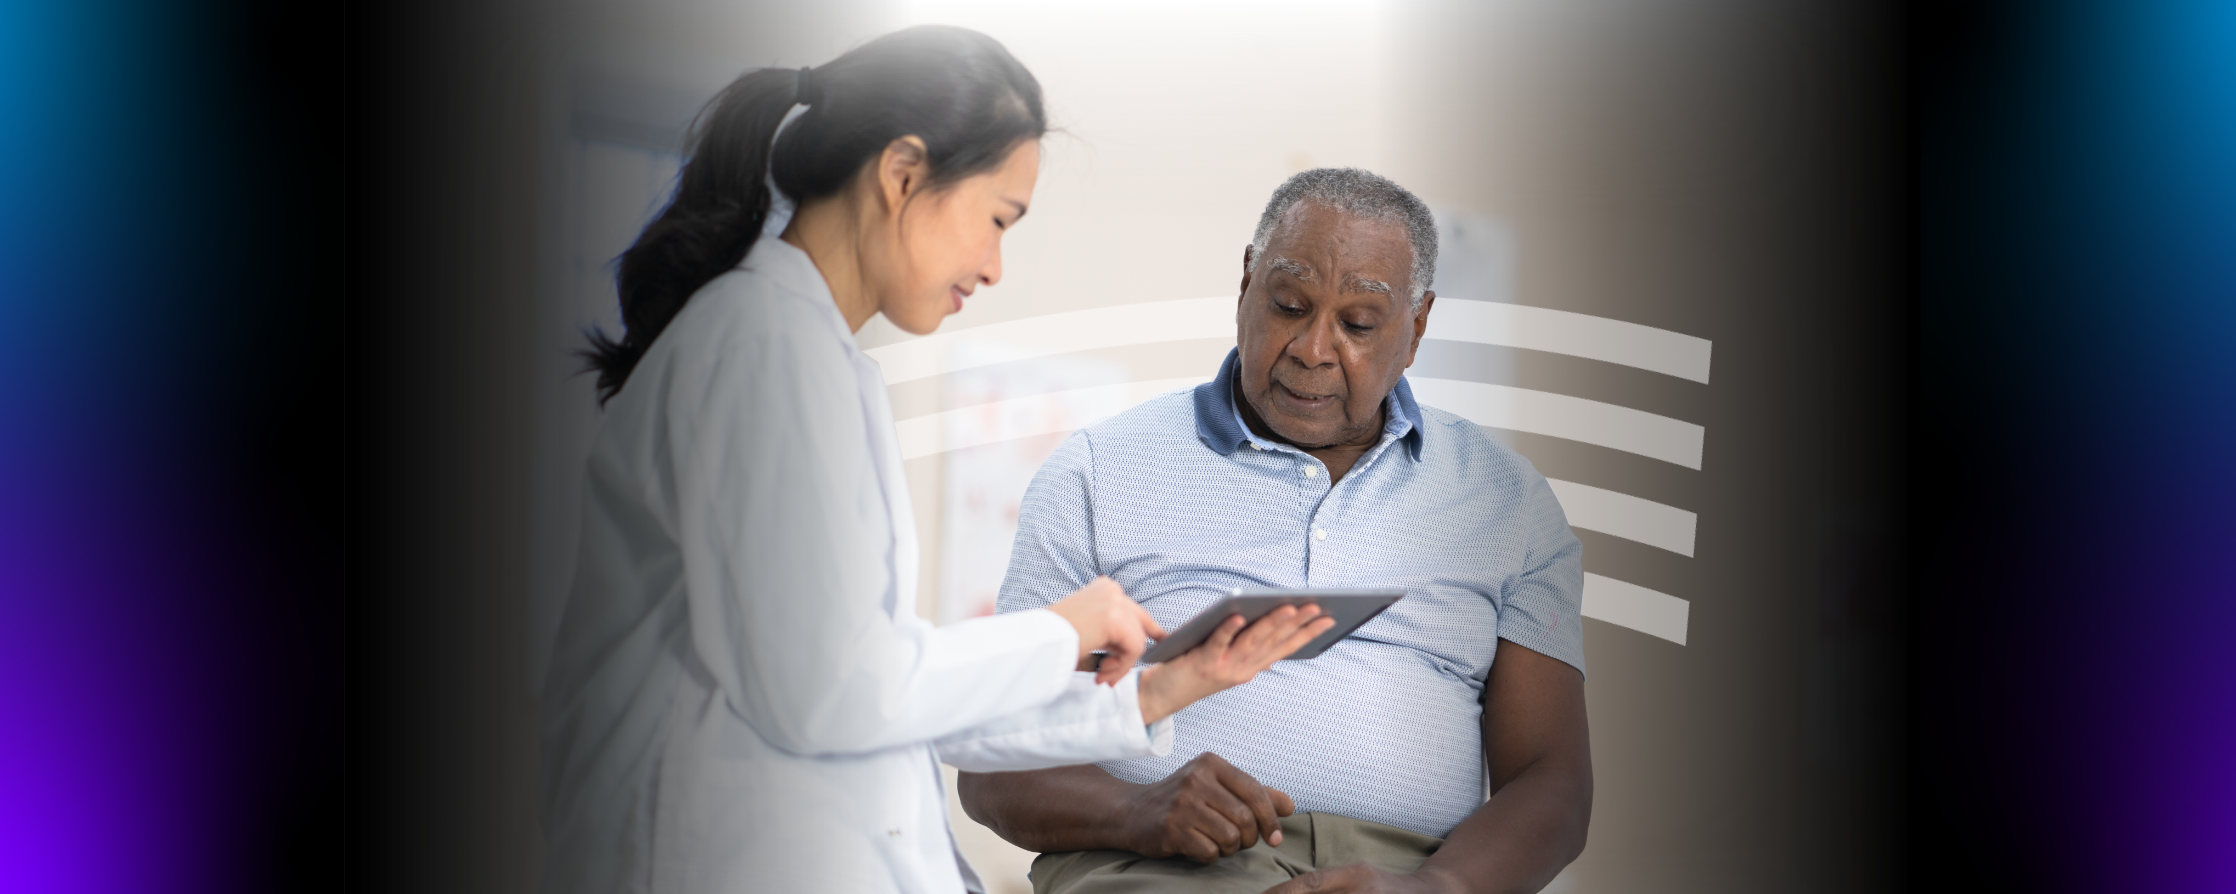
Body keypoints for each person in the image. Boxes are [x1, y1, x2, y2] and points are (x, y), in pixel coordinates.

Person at [536, 27, 1334, 894]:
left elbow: (887, 687)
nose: (993, 267)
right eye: (997, 220)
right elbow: (834, 692)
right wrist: (1061, 628)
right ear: (903, 173)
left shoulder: (814, 357)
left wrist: (1158, 691)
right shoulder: (762, 343)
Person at [957, 168, 1593, 894]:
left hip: (1413, 875)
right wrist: (1137, 810)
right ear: (1246, 285)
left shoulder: (1509, 503)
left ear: (1415, 330)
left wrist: (1435, 888)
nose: (1314, 348)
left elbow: (1554, 782)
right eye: (1289, 305)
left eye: (1357, 325)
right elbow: (990, 762)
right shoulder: (1099, 470)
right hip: (1154, 864)